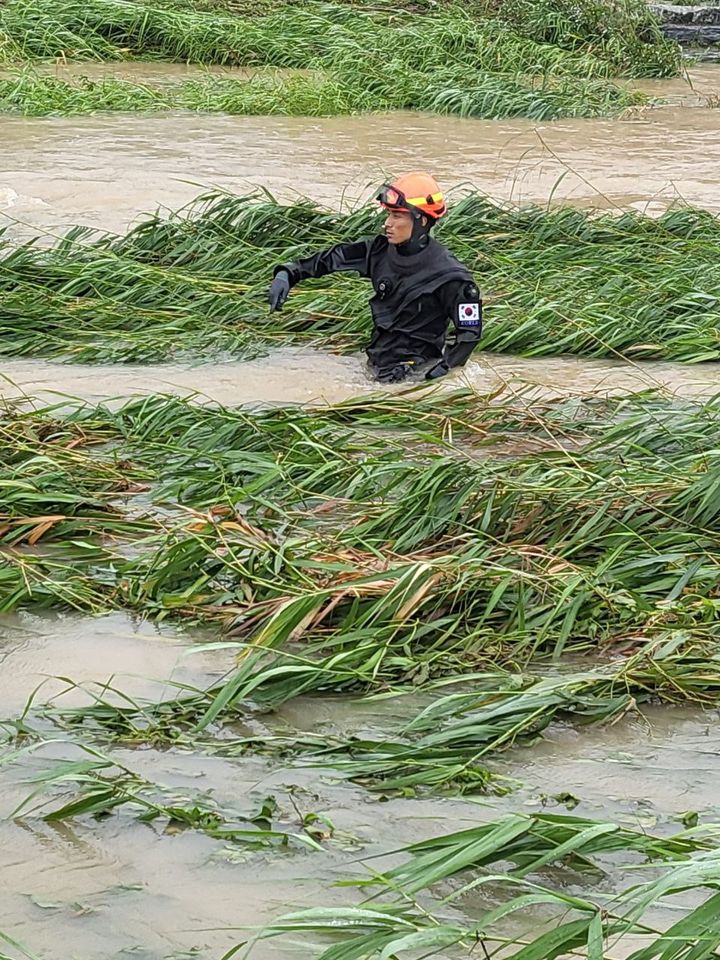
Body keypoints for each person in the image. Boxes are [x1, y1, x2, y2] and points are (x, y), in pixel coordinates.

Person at [267, 172, 482, 383]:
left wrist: (437, 374)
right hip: (376, 365)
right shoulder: (378, 251)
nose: (387, 223)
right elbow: (330, 259)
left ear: (422, 221)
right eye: (388, 214)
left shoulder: (452, 276)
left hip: (414, 375)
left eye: (397, 216)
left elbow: (469, 335)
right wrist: (288, 273)